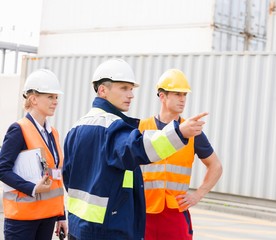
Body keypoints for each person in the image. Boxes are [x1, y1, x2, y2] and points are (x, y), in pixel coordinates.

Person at [62, 59, 207, 240]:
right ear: (102, 90)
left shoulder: (75, 128)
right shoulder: (113, 127)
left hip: (78, 225)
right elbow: (138, 147)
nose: (130, 95)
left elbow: (68, 176)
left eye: (131, 89)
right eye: (123, 88)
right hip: (108, 229)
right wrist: (179, 132)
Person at [138, 69, 223, 240]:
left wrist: (198, 195)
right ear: (162, 96)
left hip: (175, 213)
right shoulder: (141, 128)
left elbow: (216, 166)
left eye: (184, 95)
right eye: (177, 94)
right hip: (143, 211)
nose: (183, 99)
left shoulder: (192, 130)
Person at [0, 69, 68, 239]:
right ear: (33, 99)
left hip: (48, 217)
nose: (55, 102)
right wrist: (32, 188)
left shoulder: (53, 133)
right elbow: (2, 169)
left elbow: (56, 176)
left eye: (56, 97)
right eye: (50, 97)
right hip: (22, 219)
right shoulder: (19, 129)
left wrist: (61, 215)